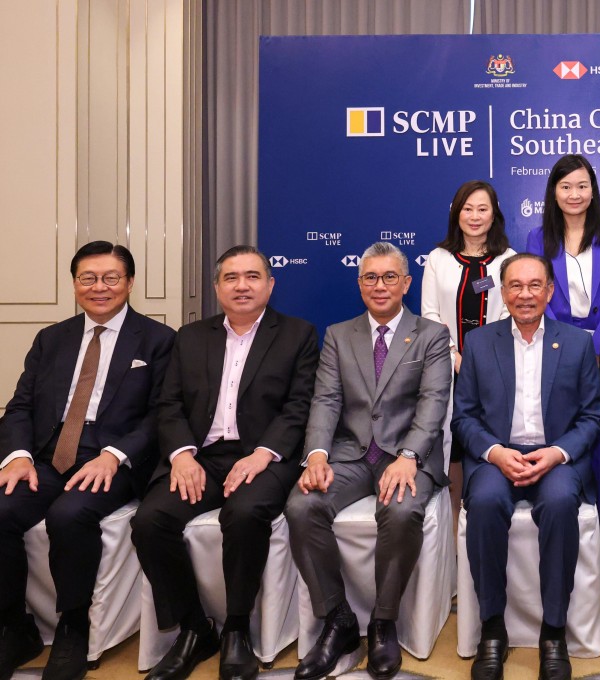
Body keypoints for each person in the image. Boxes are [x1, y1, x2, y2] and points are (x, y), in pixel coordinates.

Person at [131, 245, 319, 680]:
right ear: (217, 287)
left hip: (263, 458)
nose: (242, 285)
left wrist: (262, 454)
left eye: (252, 276)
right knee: (149, 521)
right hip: (200, 458)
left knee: (245, 513)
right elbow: (169, 403)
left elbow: (299, 406)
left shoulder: (297, 335)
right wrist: (180, 455)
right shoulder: (191, 337)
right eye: (231, 277)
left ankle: (237, 628)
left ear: (270, 285)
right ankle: (196, 629)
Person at [0, 241, 175, 680]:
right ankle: (14, 626)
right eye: (88, 278)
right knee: (1, 509)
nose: (100, 287)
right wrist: (18, 456)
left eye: (111, 277)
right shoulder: (51, 338)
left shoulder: (157, 340)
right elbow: (19, 405)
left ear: (130, 282)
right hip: (47, 457)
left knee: (69, 514)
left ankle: (73, 625)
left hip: (111, 461)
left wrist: (114, 456)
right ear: (75, 283)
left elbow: (162, 414)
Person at [286, 242, 451, 680]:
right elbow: (325, 399)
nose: (380, 286)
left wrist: (410, 456)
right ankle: (338, 620)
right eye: (370, 278)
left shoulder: (432, 335)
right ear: (359, 284)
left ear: (407, 283)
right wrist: (317, 454)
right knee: (302, 506)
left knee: (399, 511)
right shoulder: (340, 334)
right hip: (350, 454)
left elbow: (433, 403)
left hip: (407, 455)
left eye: (389, 277)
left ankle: (383, 620)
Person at [452, 253, 600, 680]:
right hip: (496, 456)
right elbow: (462, 417)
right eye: (515, 285)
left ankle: (553, 631)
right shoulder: (480, 342)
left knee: (558, 504)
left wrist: (557, 454)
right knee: (482, 503)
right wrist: (496, 453)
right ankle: (492, 629)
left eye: (535, 285)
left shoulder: (576, 342)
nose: (525, 294)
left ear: (550, 291)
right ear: (503, 292)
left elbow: (592, 417)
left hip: (555, 456)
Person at [526, 153, 600, 505]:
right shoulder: (538, 238)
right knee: (564, 417)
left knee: (598, 419)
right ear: (554, 192)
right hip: (558, 344)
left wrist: (598, 348)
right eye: (566, 186)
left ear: (593, 191)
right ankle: (561, 488)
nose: (574, 194)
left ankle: (597, 497)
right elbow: (539, 293)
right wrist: (571, 344)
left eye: (582, 186)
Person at [421, 180, 515, 513]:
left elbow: (508, 317)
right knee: (453, 449)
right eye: (467, 208)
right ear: (456, 213)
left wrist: (476, 361)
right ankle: (452, 529)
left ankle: (481, 517)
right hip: (445, 369)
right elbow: (430, 317)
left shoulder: (508, 259)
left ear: (494, 214)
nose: (474, 216)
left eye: (482, 209)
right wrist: (456, 358)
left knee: (487, 443)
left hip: (494, 370)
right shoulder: (438, 258)